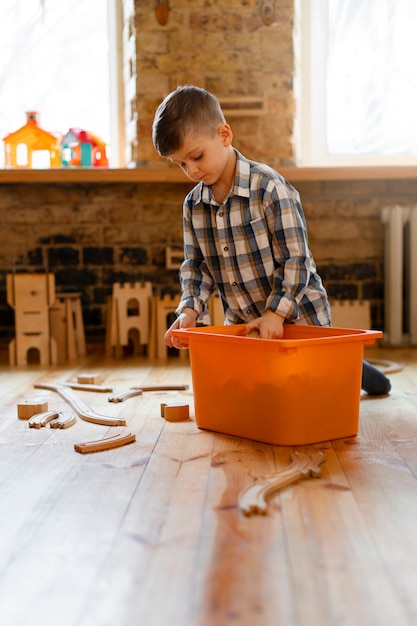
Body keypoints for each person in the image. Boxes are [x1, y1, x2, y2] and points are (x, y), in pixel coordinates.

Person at [152, 85, 391, 395]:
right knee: (262, 393)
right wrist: (189, 312)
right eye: (182, 164)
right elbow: (196, 267)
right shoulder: (194, 206)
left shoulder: (268, 188)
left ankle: (352, 365)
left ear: (224, 135)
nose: (192, 170)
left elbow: (296, 258)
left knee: (312, 387)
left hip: (297, 315)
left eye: (196, 157)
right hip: (247, 325)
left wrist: (276, 313)